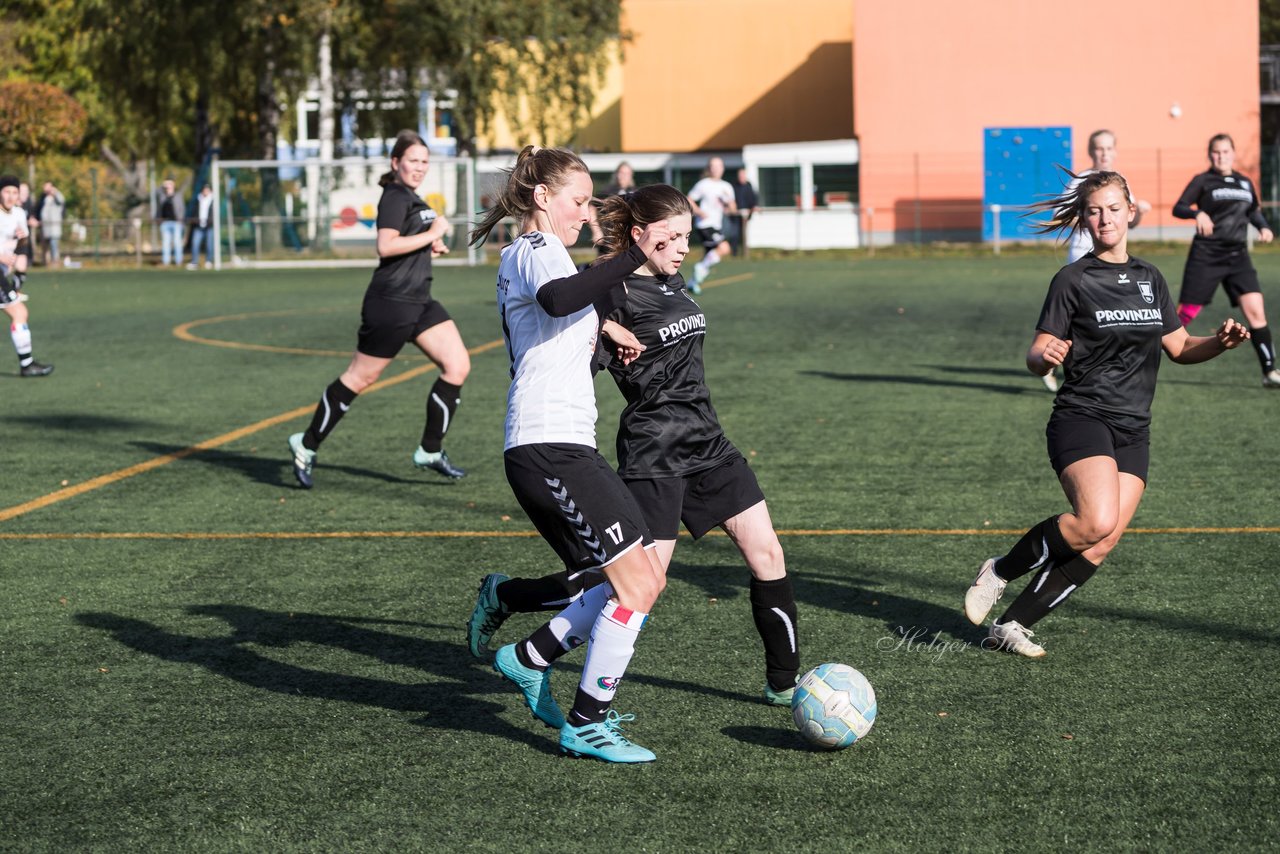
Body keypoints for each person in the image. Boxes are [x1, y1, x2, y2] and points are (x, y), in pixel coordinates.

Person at [466, 184, 801, 705]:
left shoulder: (675, 281)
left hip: (709, 442)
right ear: (640, 236)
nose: (683, 248)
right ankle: (517, 612)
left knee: (768, 553)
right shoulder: (609, 291)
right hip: (654, 451)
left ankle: (785, 685)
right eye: (670, 239)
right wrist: (607, 339)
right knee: (632, 582)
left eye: (687, 237)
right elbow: (574, 347)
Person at [963, 170, 1249, 657]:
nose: (1105, 219)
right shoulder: (1073, 280)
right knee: (1094, 520)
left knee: (1103, 540)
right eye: (1094, 211)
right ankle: (1000, 570)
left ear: (1130, 211)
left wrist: (1220, 344)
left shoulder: (1149, 278)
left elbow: (1179, 347)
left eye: (1113, 208)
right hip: (1082, 415)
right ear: (1084, 219)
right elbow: (1036, 354)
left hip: (1134, 427)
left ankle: (1011, 625)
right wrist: (1043, 357)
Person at [468, 145, 672, 763]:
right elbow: (558, 300)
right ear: (541, 199)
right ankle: (586, 722)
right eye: (578, 202)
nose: (586, 215)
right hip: (546, 445)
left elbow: (563, 314)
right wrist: (635, 255)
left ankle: (528, 660)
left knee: (637, 578)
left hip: (567, 445)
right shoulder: (533, 251)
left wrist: (607, 332)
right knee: (634, 583)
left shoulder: (547, 256)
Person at [288, 130, 467, 488]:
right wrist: (432, 234)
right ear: (395, 163)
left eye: (425, 162)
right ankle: (306, 445)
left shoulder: (412, 197)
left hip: (420, 300)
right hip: (391, 303)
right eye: (413, 161)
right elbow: (385, 246)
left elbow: (405, 241)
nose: (419, 168)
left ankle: (430, 450)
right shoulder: (395, 196)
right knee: (360, 378)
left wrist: (431, 246)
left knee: (457, 365)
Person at [1043, 130, 1151, 392]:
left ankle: (1107, 368)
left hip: (1113, 260)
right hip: (1083, 257)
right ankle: (1050, 364)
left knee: (1110, 316)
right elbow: (1061, 214)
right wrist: (1086, 217)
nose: (1104, 153)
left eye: (1108, 148)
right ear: (1091, 152)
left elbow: (1130, 221)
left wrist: (1140, 214)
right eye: (1099, 148)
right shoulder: (1080, 179)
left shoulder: (1120, 181)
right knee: (1076, 318)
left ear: (1115, 151)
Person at [1171, 133, 1280, 388]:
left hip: (1237, 256)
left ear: (1233, 153)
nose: (1221, 156)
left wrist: (1263, 227)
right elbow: (1179, 207)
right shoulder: (1203, 180)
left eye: (1225, 152)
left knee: (1256, 311)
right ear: (1210, 155)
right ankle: (1147, 354)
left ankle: (1269, 371)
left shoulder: (1244, 182)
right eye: (1216, 152)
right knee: (1185, 315)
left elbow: (1253, 211)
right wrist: (1197, 213)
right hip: (1206, 254)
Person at [0, 175, 53, 376]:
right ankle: (27, 365)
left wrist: (20, 275)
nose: (11, 196)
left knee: (19, 313)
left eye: (14, 192)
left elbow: (23, 244)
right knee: (19, 313)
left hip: (3, 274)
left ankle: (27, 364)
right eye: (6, 191)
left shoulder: (19, 214)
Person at [686, 156, 736, 295]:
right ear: (709, 168)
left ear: (723, 168)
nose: (716, 169)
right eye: (713, 166)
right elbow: (689, 199)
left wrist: (728, 201)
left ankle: (692, 283)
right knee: (724, 248)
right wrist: (700, 212)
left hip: (716, 225)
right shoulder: (704, 184)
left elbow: (732, 208)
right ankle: (700, 268)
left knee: (710, 256)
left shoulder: (726, 186)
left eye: (719, 166)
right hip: (705, 225)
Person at [587, 161, 637, 251]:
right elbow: (591, 207)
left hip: (630, 240)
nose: (623, 176)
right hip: (609, 241)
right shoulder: (607, 192)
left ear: (631, 175)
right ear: (616, 174)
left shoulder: (636, 193)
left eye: (626, 173)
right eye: (621, 173)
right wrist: (596, 230)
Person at [727, 168, 759, 258]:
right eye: (740, 175)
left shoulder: (749, 186)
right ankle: (734, 253)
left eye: (743, 175)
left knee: (744, 234)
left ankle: (744, 253)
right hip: (735, 215)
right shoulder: (733, 186)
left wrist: (753, 207)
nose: (741, 177)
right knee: (734, 234)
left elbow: (754, 200)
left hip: (745, 215)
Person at [155, 179, 184, 267]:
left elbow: (181, 209)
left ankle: (178, 261)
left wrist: (180, 220)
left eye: (170, 184)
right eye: (166, 184)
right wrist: (163, 185)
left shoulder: (177, 196)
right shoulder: (162, 196)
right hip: (165, 223)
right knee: (166, 243)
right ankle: (166, 262)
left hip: (176, 222)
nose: (168, 186)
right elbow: (156, 191)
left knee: (177, 242)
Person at [36, 182, 65, 268]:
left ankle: (55, 261)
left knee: (53, 243)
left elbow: (61, 202)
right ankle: (46, 262)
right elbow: (38, 208)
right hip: (45, 226)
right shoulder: (43, 197)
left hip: (54, 226)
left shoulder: (57, 195)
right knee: (45, 245)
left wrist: (55, 194)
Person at [188, 183, 214, 270]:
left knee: (209, 244)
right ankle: (194, 262)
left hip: (209, 226)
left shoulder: (213, 200)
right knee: (195, 243)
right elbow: (193, 211)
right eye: (204, 189)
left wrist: (211, 221)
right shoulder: (197, 199)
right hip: (198, 225)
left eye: (207, 189)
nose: (206, 191)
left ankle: (209, 261)